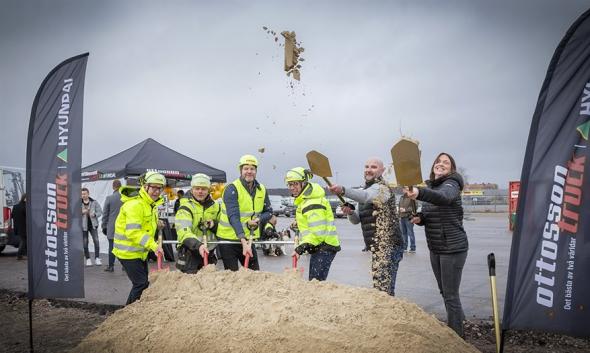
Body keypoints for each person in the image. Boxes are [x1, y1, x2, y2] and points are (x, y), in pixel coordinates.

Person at [404, 152, 468, 337]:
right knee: (444, 292)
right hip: (437, 247)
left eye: (446, 162)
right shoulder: (434, 187)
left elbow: (445, 198)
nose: (441, 164)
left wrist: (419, 192)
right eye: (438, 161)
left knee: (450, 295)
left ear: (452, 168)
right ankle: (460, 321)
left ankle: (457, 338)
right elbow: (432, 212)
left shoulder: (452, 184)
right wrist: (421, 218)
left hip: (453, 248)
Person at [328, 158, 403, 296]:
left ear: (382, 171)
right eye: (366, 166)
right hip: (377, 246)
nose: (369, 169)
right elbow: (356, 219)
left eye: (373, 167)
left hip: (389, 245)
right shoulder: (365, 190)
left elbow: (366, 196)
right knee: (379, 287)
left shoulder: (383, 188)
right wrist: (350, 212)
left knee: (384, 289)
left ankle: (388, 313)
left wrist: (343, 190)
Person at [113, 171, 165, 305]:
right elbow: (134, 232)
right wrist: (154, 246)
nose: (156, 191)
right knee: (141, 284)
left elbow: (145, 224)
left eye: (160, 188)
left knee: (142, 283)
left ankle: (131, 311)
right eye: (153, 187)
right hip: (128, 252)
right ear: (145, 186)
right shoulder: (135, 204)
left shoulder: (149, 203)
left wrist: (156, 223)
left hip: (139, 252)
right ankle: (128, 313)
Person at [216, 154, 272, 271]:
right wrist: (242, 240)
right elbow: (233, 217)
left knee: (254, 274)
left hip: (248, 238)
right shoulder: (232, 189)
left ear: (256, 171)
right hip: (228, 240)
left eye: (252, 169)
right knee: (233, 276)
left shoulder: (261, 189)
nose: (249, 172)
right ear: (241, 170)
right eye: (246, 168)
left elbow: (269, 212)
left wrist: (259, 219)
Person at [287, 167, 340, 281]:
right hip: (319, 246)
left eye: (295, 184)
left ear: (304, 183)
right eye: (290, 184)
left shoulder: (312, 202)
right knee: (314, 282)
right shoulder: (306, 200)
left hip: (324, 246)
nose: (292, 188)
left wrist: (300, 248)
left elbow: (318, 234)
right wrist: (300, 224)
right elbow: (311, 224)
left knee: (316, 283)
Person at [174, 173, 220, 274]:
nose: (200, 191)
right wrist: (198, 245)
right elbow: (183, 232)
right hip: (190, 254)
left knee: (210, 285)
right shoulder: (185, 208)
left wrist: (213, 225)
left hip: (209, 253)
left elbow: (224, 228)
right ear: (192, 190)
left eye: (203, 189)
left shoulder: (216, 207)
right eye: (197, 188)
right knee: (189, 287)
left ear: (209, 190)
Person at [101, 180, 122, 272]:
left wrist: (103, 226)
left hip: (112, 227)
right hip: (123, 226)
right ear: (120, 187)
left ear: (113, 187)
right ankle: (124, 266)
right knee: (123, 246)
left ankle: (111, 266)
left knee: (111, 247)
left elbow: (105, 214)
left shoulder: (109, 198)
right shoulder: (125, 198)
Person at [81, 187, 103, 266]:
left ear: (88, 194)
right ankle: (88, 259)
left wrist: (95, 214)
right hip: (83, 226)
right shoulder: (78, 203)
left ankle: (97, 258)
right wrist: (82, 212)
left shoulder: (94, 202)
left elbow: (100, 212)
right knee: (85, 243)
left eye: (84, 194)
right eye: (82, 194)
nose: (83, 195)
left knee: (96, 241)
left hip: (93, 226)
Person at [12, 193, 27, 260]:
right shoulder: (25, 207)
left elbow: (12, 216)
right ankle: (19, 254)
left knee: (24, 240)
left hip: (17, 227)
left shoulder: (15, 206)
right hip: (24, 227)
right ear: (25, 199)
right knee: (24, 241)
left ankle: (24, 254)